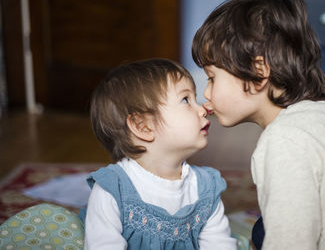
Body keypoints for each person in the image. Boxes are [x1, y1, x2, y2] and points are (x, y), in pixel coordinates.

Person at [192, 0, 325, 250]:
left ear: (258, 72)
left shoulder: (285, 143)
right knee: (263, 229)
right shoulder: (319, 116)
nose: (207, 93)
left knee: (267, 232)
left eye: (212, 78)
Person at [81, 58, 237, 249]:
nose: (202, 109)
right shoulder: (113, 190)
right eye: (186, 100)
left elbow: (220, 245)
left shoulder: (205, 188)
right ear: (143, 126)